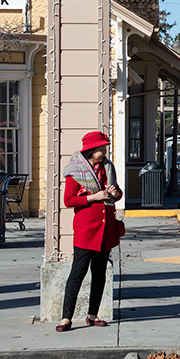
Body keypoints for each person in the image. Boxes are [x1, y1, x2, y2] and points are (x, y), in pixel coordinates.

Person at [56, 130, 125, 332]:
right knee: (77, 273)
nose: (104, 152)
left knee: (99, 274)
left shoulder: (108, 168)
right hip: (86, 231)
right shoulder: (75, 171)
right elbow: (68, 200)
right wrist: (93, 198)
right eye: (101, 149)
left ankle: (92, 315)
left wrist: (115, 193)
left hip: (106, 229)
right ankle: (66, 318)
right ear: (91, 150)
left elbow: (117, 195)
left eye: (104, 148)